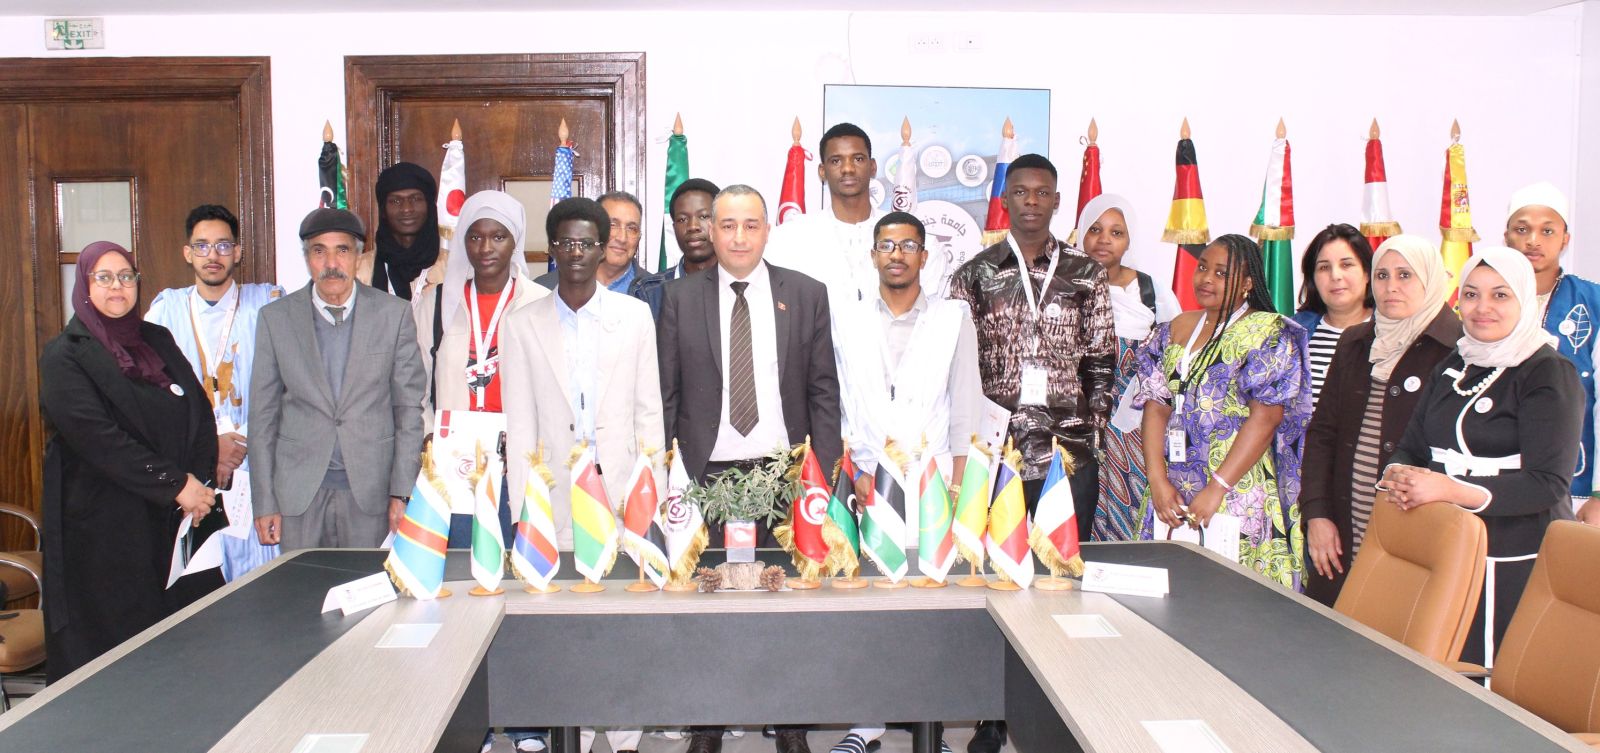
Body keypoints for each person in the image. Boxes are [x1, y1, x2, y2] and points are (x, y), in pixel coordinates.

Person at [657, 184, 839, 753]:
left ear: (767, 230)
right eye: (728, 225)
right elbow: (667, 392)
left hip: (784, 473)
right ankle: (707, 725)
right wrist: (666, 471)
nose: (739, 237)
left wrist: (824, 475)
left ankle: (790, 724)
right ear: (711, 231)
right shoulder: (678, 297)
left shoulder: (806, 294)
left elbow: (823, 390)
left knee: (788, 603)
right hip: (705, 472)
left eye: (751, 225)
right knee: (707, 601)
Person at [502, 196, 656, 753]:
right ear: (551, 248)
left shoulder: (634, 317)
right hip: (555, 500)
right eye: (565, 242)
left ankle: (626, 736)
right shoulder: (521, 323)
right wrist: (525, 509)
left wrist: (651, 495)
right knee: (568, 624)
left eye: (586, 243)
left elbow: (648, 414)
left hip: (620, 492)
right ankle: (578, 732)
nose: (575, 253)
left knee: (625, 620)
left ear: (602, 248)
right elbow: (520, 424)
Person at [1382, 247, 1583, 668]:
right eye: (1471, 294)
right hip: (1445, 540)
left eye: (1500, 295)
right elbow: (1411, 445)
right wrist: (1398, 475)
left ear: (1524, 299)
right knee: (1438, 665)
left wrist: (1449, 489)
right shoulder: (1457, 361)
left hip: (1513, 552)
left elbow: (1547, 484)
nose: (1482, 307)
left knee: (1490, 673)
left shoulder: (1548, 371)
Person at [829, 212, 975, 753]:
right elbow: (836, 399)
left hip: (930, 479)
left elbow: (966, 402)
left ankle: (928, 725)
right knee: (866, 603)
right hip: (867, 480)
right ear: (873, 255)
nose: (897, 254)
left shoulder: (953, 317)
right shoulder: (845, 317)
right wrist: (852, 473)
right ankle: (864, 722)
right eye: (887, 245)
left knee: (928, 603)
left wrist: (957, 485)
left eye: (908, 245)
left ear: (924, 256)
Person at [40, 242, 220, 681]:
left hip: (173, 520)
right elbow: (100, 440)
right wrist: (175, 484)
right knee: (117, 658)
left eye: (126, 276)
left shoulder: (156, 339)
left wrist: (198, 484)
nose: (117, 286)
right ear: (85, 286)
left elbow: (198, 412)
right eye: (103, 277)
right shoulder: (65, 355)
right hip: (105, 531)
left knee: (185, 646)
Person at [946, 154, 1116, 530]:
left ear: (1057, 201)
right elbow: (956, 368)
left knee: (1064, 562)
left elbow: (1101, 361)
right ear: (1005, 199)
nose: (1032, 201)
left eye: (1042, 192)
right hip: (994, 452)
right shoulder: (973, 275)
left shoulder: (1086, 273)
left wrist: (1094, 434)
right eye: (1021, 192)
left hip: (1068, 454)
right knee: (991, 562)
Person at [1135, 234, 1311, 591]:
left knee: (1228, 596)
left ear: (1247, 283)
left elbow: (1266, 418)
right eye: (1202, 268)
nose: (1206, 279)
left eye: (1221, 273)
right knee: (1168, 592)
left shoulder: (1267, 332)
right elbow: (1156, 406)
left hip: (1234, 488)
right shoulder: (1173, 329)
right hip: (1172, 488)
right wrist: (1156, 480)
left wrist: (1217, 488)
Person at [249, 208, 427, 550]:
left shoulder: (393, 315)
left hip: (372, 494)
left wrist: (402, 492)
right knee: (301, 583)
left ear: (358, 257)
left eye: (342, 250)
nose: (331, 263)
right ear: (307, 259)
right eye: (319, 251)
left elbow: (408, 410)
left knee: (369, 584)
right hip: (298, 495)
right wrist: (265, 501)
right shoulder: (276, 319)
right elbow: (262, 416)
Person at [1299, 235, 1460, 606]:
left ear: (1430, 278)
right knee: (1337, 626)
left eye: (1405, 275)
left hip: (1416, 526)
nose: (1391, 287)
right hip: (1345, 521)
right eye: (1382, 275)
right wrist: (1317, 514)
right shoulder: (1355, 341)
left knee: (1400, 624)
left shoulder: (1457, 350)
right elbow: (1322, 434)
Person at [145, 204, 285, 581]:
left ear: (237, 252)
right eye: (202, 246)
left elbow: (291, 388)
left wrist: (240, 443)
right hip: (192, 471)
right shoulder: (165, 312)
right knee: (200, 588)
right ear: (187, 253)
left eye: (223, 246)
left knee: (261, 585)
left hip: (257, 468)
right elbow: (151, 403)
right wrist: (211, 446)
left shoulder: (268, 303)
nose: (213, 255)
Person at [415, 190, 549, 547]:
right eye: (475, 237)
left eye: (498, 237)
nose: (486, 248)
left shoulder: (540, 304)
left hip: (518, 466)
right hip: (455, 465)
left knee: (518, 564)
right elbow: (415, 388)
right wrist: (429, 436)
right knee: (459, 565)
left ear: (515, 241)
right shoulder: (436, 303)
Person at [1075, 194, 1181, 542]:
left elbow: (1172, 359)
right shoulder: (1062, 288)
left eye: (1116, 232)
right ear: (1081, 233)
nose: (1104, 239)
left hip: (1134, 429)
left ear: (1129, 239)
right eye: (1095, 229)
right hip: (1077, 425)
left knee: (1129, 515)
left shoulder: (1151, 291)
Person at [1503, 182, 1600, 526]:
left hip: (1576, 486)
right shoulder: (1484, 301)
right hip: (1498, 482)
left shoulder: (1592, 302)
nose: (1533, 240)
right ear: (1506, 237)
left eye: (1547, 231)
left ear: (1565, 239)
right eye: (1522, 229)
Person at [764, 122, 888, 309]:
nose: (848, 168)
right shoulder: (792, 235)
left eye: (858, 159)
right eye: (836, 161)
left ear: (872, 167)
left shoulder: (899, 233)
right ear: (822, 171)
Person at [1291, 224, 1375, 409]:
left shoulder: (1390, 331)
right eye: (1324, 267)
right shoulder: (1292, 334)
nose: (1335, 275)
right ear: (1313, 279)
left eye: (1346, 265)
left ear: (1367, 272)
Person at [631, 178, 721, 320]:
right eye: (682, 219)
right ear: (674, 228)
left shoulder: (739, 286)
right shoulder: (648, 292)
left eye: (703, 216)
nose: (693, 226)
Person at [536, 191, 646, 295]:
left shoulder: (653, 293)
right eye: (612, 225)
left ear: (639, 237)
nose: (622, 238)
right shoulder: (543, 289)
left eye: (632, 229)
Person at [369, 162, 440, 301]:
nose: (406, 209)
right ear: (383, 210)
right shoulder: (358, 270)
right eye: (395, 201)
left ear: (430, 207)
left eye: (416, 199)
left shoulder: (454, 268)